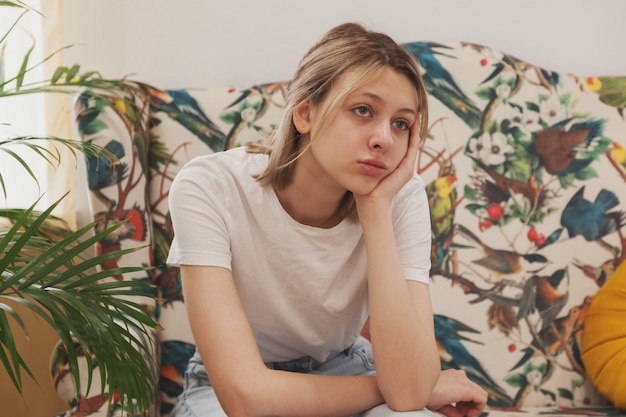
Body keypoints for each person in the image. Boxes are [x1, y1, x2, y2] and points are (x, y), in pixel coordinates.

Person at [166, 22, 488, 417]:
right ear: (305, 113)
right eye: (363, 110)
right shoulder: (210, 186)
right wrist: (392, 388)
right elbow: (246, 398)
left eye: (401, 123)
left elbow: (406, 397)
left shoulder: (399, 197)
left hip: (348, 365)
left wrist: (375, 209)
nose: (384, 139)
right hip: (227, 390)